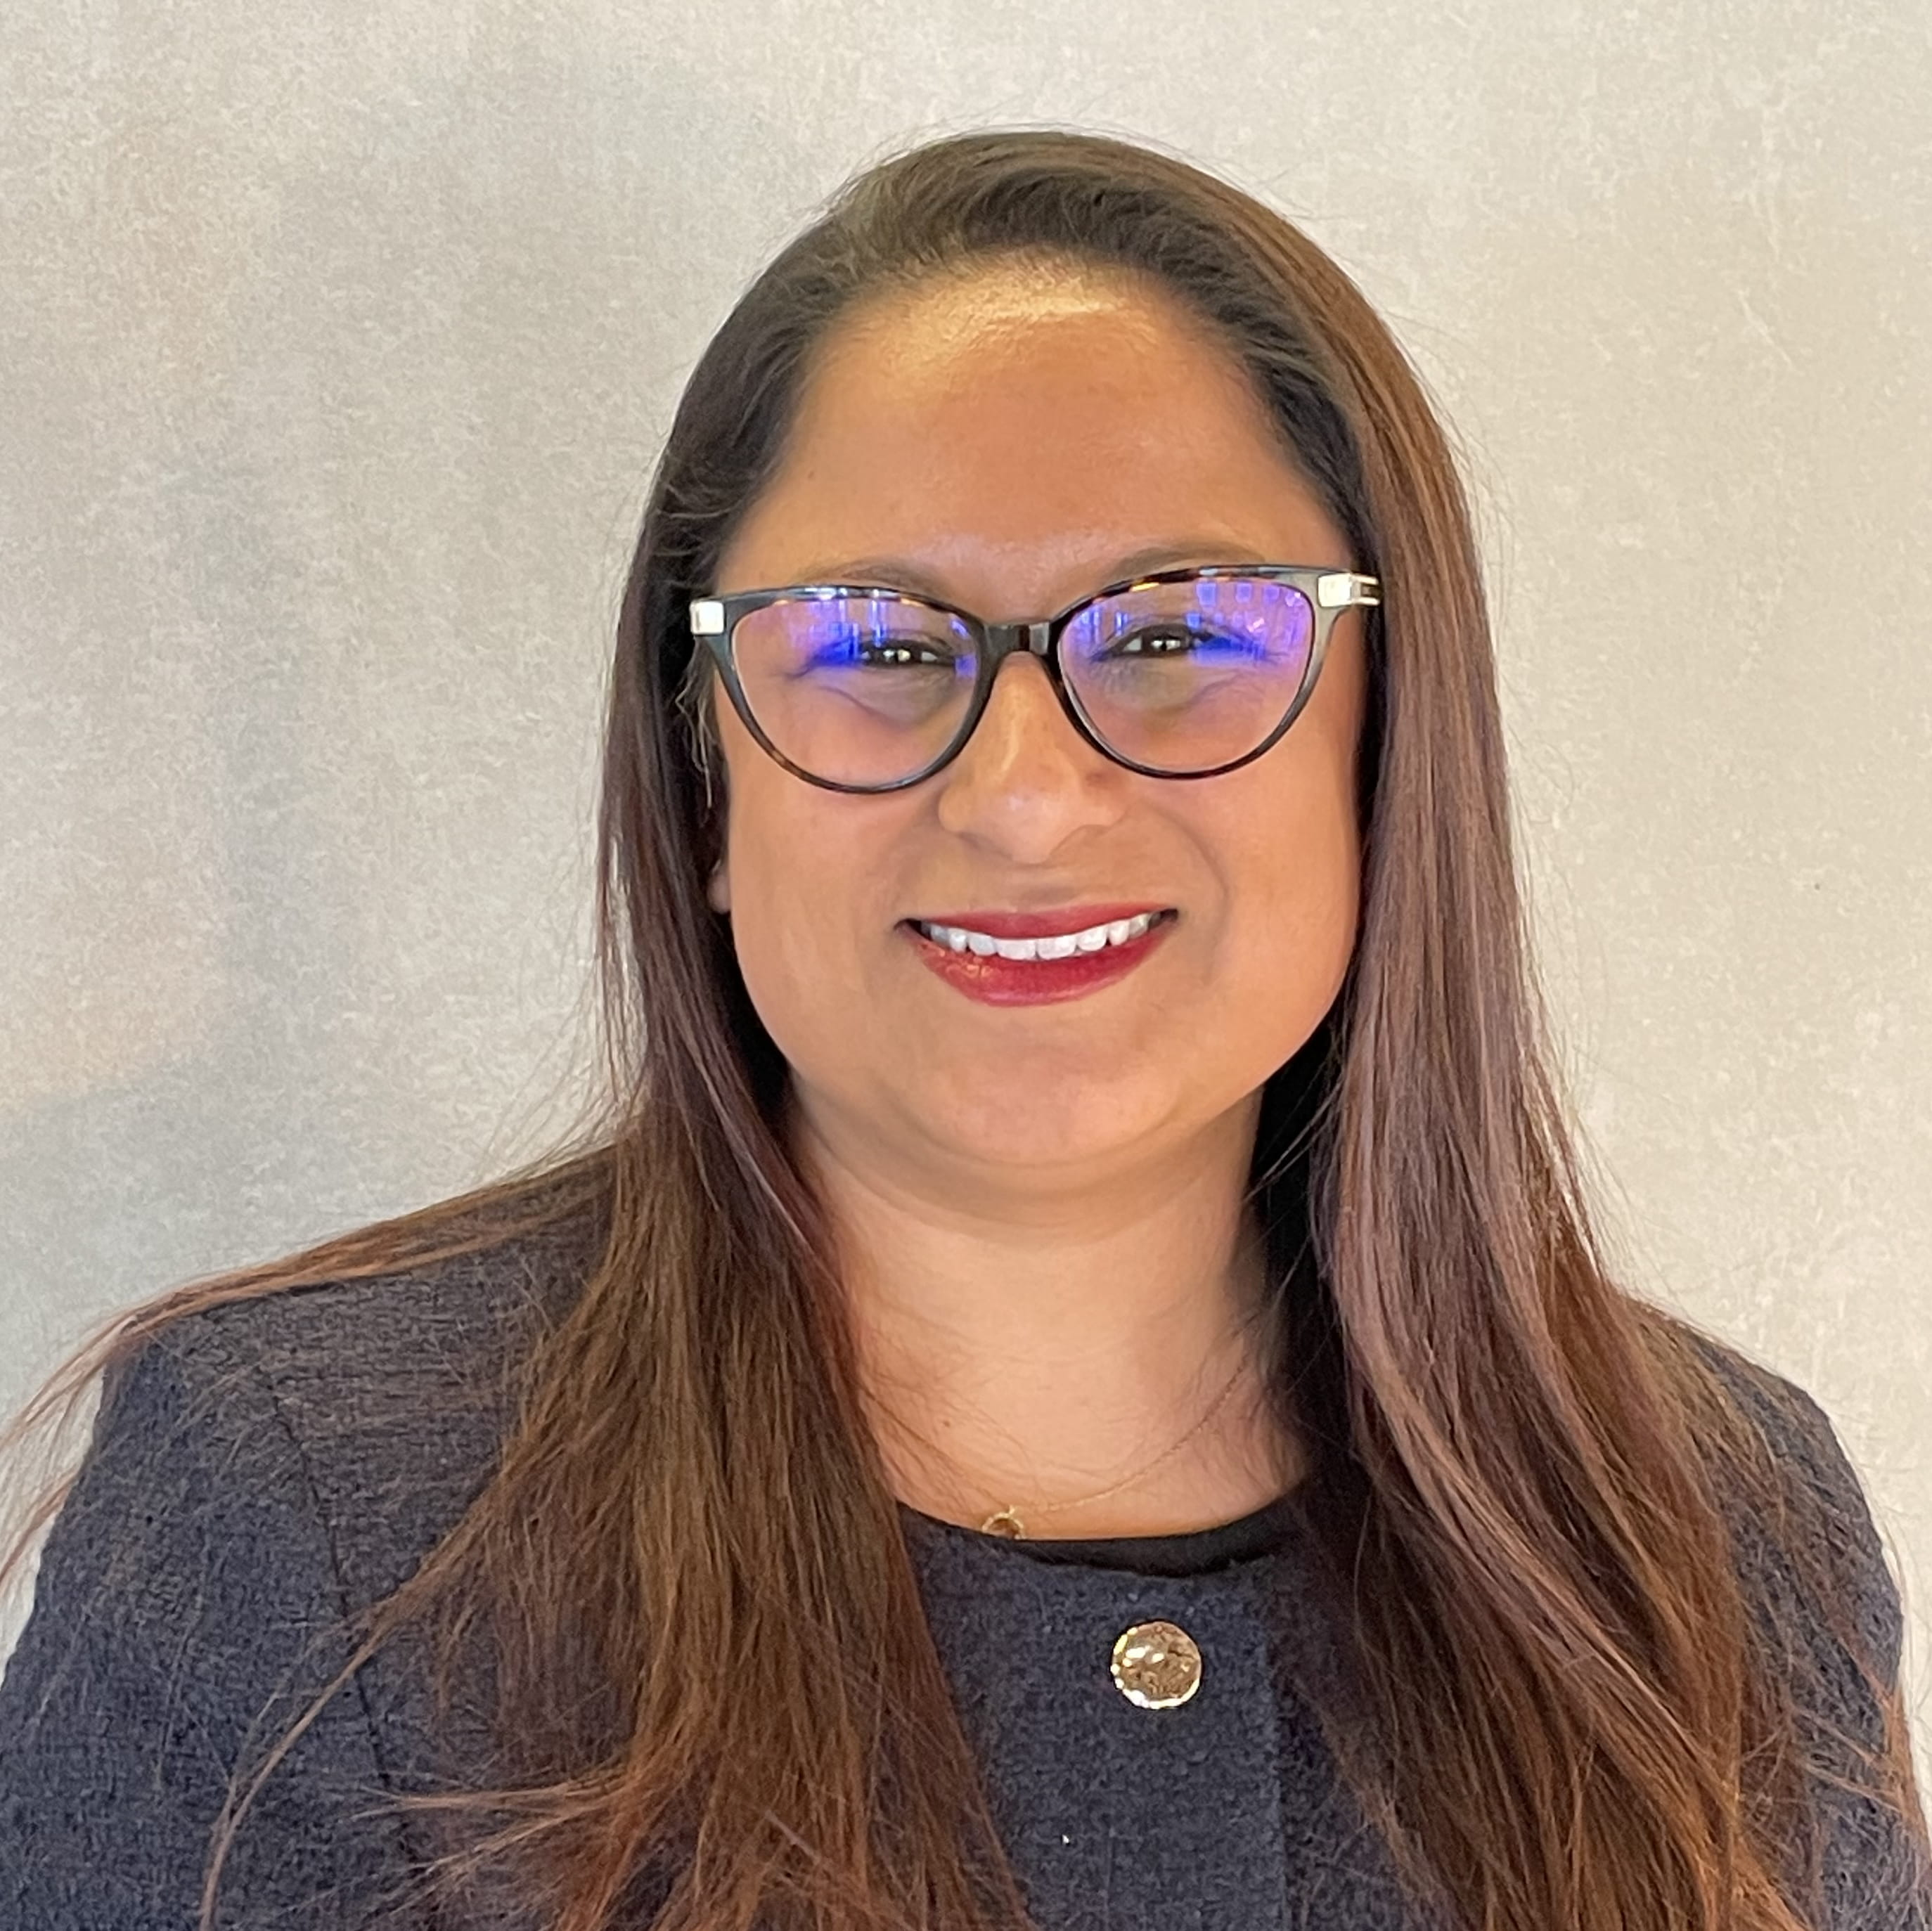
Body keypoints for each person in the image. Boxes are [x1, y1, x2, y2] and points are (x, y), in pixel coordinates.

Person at [0, 127, 1926, 1931]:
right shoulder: (305, 1510)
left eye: (1174, 635)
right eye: (873, 645)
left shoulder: (1716, 1531)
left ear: (1389, 747)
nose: (1021, 790)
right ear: (702, 785)